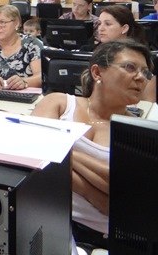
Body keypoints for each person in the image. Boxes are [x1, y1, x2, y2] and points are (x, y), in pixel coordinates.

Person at [32, 39, 153, 251]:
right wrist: (95, 194)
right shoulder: (59, 103)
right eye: (130, 67)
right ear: (97, 73)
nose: (141, 78)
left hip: (105, 238)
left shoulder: (136, 131)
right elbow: (34, 160)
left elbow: (126, 196)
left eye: (145, 72)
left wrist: (60, 151)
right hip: (48, 219)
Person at [0, 4, 43, 89]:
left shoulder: (32, 44)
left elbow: (41, 76)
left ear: (17, 23)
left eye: (2, 22)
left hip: (22, 97)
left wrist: (24, 81)